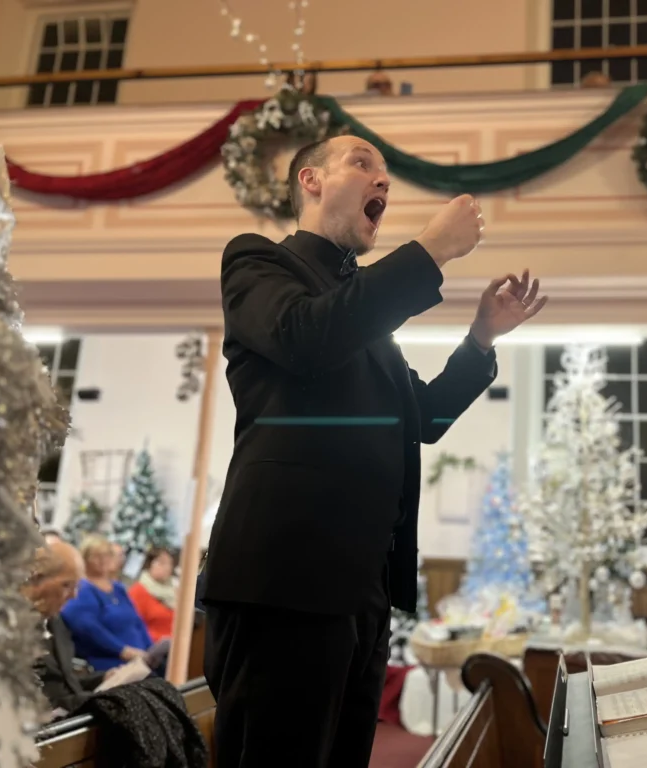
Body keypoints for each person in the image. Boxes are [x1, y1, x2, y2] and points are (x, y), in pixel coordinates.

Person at [201, 134, 547, 768]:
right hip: (283, 581)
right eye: (363, 164)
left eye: (387, 174)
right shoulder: (257, 262)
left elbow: (428, 417)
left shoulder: (366, 320)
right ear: (310, 180)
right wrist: (433, 250)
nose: (382, 182)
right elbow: (304, 338)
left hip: (362, 592)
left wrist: (480, 340)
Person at [24, 540, 116, 713]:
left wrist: (102, 678)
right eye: (66, 585)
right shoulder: (12, 630)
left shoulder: (55, 621)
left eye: (77, 586)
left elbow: (66, 682)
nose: (73, 595)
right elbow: (49, 702)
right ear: (36, 579)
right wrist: (107, 699)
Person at [61, 535, 157, 672]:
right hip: (110, 662)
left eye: (107, 555)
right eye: (96, 556)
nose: (103, 560)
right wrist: (123, 651)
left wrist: (150, 650)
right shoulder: (82, 588)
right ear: (85, 559)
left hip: (141, 659)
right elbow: (88, 629)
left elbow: (137, 621)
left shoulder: (118, 588)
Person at [127, 546, 177, 643]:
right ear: (149, 564)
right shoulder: (138, 591)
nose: (167, 567)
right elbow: (132, 627)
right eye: (162, 563)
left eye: (170, 563)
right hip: (150, 647)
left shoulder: (174, 592)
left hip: (173, 646)